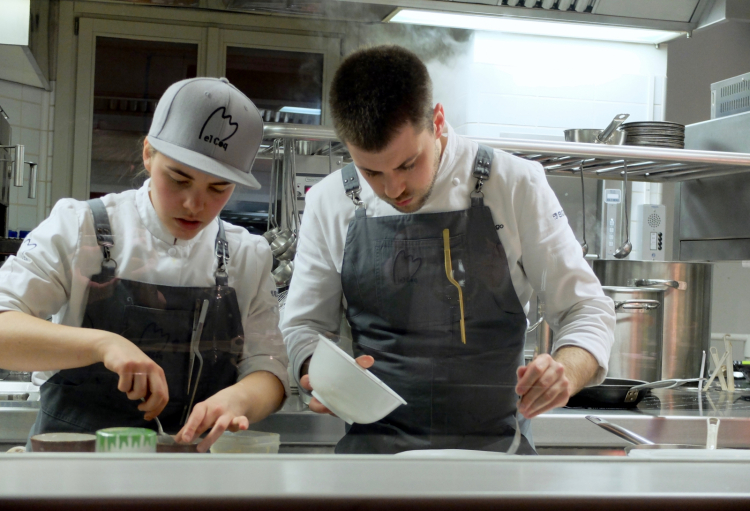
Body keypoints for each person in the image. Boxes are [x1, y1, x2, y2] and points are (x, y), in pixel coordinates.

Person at [280, 45, 615, 454]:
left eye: (407, 165)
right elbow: (302, 327)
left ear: (437, 121)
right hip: (370, 469)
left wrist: (565, 369)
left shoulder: (515, 185)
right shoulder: (330, 200)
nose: (392, 189)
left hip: (496, 465)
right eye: (371, 172)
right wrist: (319, 371)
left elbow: (586, 309)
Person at [0, 77, 289, 452]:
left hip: (189, 471)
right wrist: (103, 344)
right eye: (179, 178)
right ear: (149, 154)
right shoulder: (80, 226)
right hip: (74, 471)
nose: (193, 204)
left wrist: (241, 399)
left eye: (218, 188)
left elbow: (270, 368)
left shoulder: (246, 255)